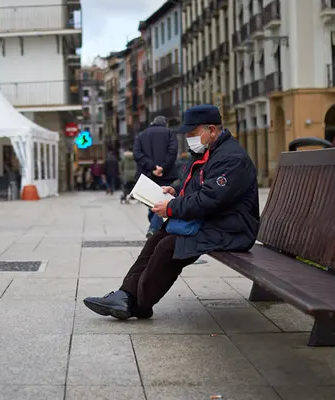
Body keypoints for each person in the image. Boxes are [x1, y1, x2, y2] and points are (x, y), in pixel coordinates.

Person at [83, 104, 260, 320]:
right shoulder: (210, 152)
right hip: (214, 221)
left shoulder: (231, 158)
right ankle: (125, 294)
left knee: (170, 247)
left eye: (193, 134)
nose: (188, 138)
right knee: (158, 237)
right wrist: (176, 191)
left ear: (211, 130)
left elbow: (210, 198)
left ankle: (139, 304)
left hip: (233, 228)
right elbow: (201, 187)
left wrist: (171, 206)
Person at [134, 115, 178, 237]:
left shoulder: (141, 135)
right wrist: (162, 167)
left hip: (149, 176)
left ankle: (154, 229)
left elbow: (137, 154)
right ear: (165, 124)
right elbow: (172, 152)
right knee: (161, 203)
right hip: (167, 175)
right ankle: (155, 229)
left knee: (153, 203)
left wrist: (153, 167)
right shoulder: (170, 133)